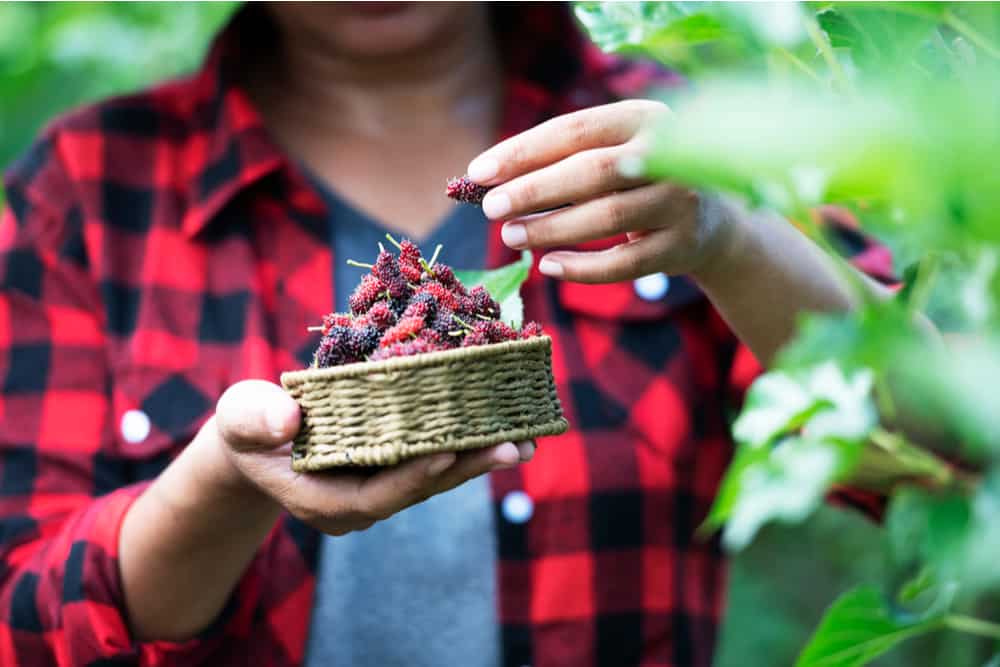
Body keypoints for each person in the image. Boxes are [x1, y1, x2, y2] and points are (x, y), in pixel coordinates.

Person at [0, 3, 892, 666]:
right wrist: (221, 486)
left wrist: (730, 236)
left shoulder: (681, 144)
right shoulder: (86, 192)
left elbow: (940, 449)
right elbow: (22, 623)